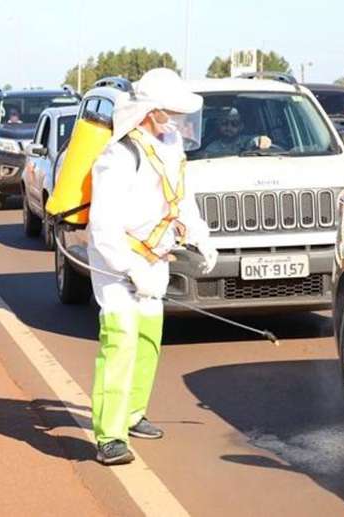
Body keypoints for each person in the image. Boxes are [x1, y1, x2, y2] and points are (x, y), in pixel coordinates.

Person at [87, 68, 218, 466]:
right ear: (150, 111)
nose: (177, 121)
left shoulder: (171, 143)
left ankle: (133, 413)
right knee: (120, 339)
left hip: (156, 255)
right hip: (117, 260)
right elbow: (103, 225)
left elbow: (181, 198)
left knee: (148, 339)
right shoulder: (119, 153)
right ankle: (109, 434)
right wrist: (128, 267)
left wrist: (201, 235)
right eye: (170, 112)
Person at [204, 107, 271, 156]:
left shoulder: (246, 141)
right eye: (224, 123)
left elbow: (257, 140)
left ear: (241, 127)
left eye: (234, 124)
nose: (229, 127)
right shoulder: (212, 148)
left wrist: (262, 139)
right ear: (218, 125)